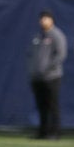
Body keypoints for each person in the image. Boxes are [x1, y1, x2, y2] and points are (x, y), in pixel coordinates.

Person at [28, 9, 67, 140]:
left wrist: (48, 68)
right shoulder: (38, 36)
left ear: (51, 20)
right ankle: (43, 131)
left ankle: (55, 132)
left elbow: (60, 55)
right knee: (41, 106)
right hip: (38, 78)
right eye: (41, 18)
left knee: (52, 105)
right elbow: (32, 55)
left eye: (45, 18)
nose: (43, 21)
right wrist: (34, 70)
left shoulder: (57, 35)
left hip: (52, 77)